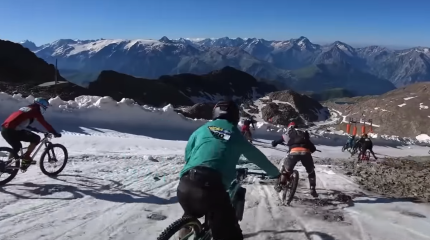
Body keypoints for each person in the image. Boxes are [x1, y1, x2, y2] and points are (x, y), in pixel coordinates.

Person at [177, 100, 280, 240]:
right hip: (211, 188)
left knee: (191, 212)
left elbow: (188, 154)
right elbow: (257, 157)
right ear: (235, 116)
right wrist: (275, 173)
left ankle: (183, 231)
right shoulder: (235, 134)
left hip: (185, 185)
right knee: (229, 233)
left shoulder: (200, 130)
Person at [1, 98, 62, 169]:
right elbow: (45, 124)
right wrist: (54, 132)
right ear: (40, 105)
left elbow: (20, 121)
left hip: (5, 130)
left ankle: (6, 166)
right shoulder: (36, 111)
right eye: (44, 104)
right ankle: (26, 158)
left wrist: (33, 129)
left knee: (17, 147)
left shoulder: (26, 108)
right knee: (36, 138)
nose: (45, 107)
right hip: (13, 131)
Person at [271, 122, 318, 197]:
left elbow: (280, 140)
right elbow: (313, 148)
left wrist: (274, 143)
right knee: (311, 171)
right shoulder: (303, 134)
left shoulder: (289, 133)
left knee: (286, 169)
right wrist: (309, 151)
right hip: (305, 152)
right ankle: (312, 188)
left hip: (294, 152)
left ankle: (281, 184)